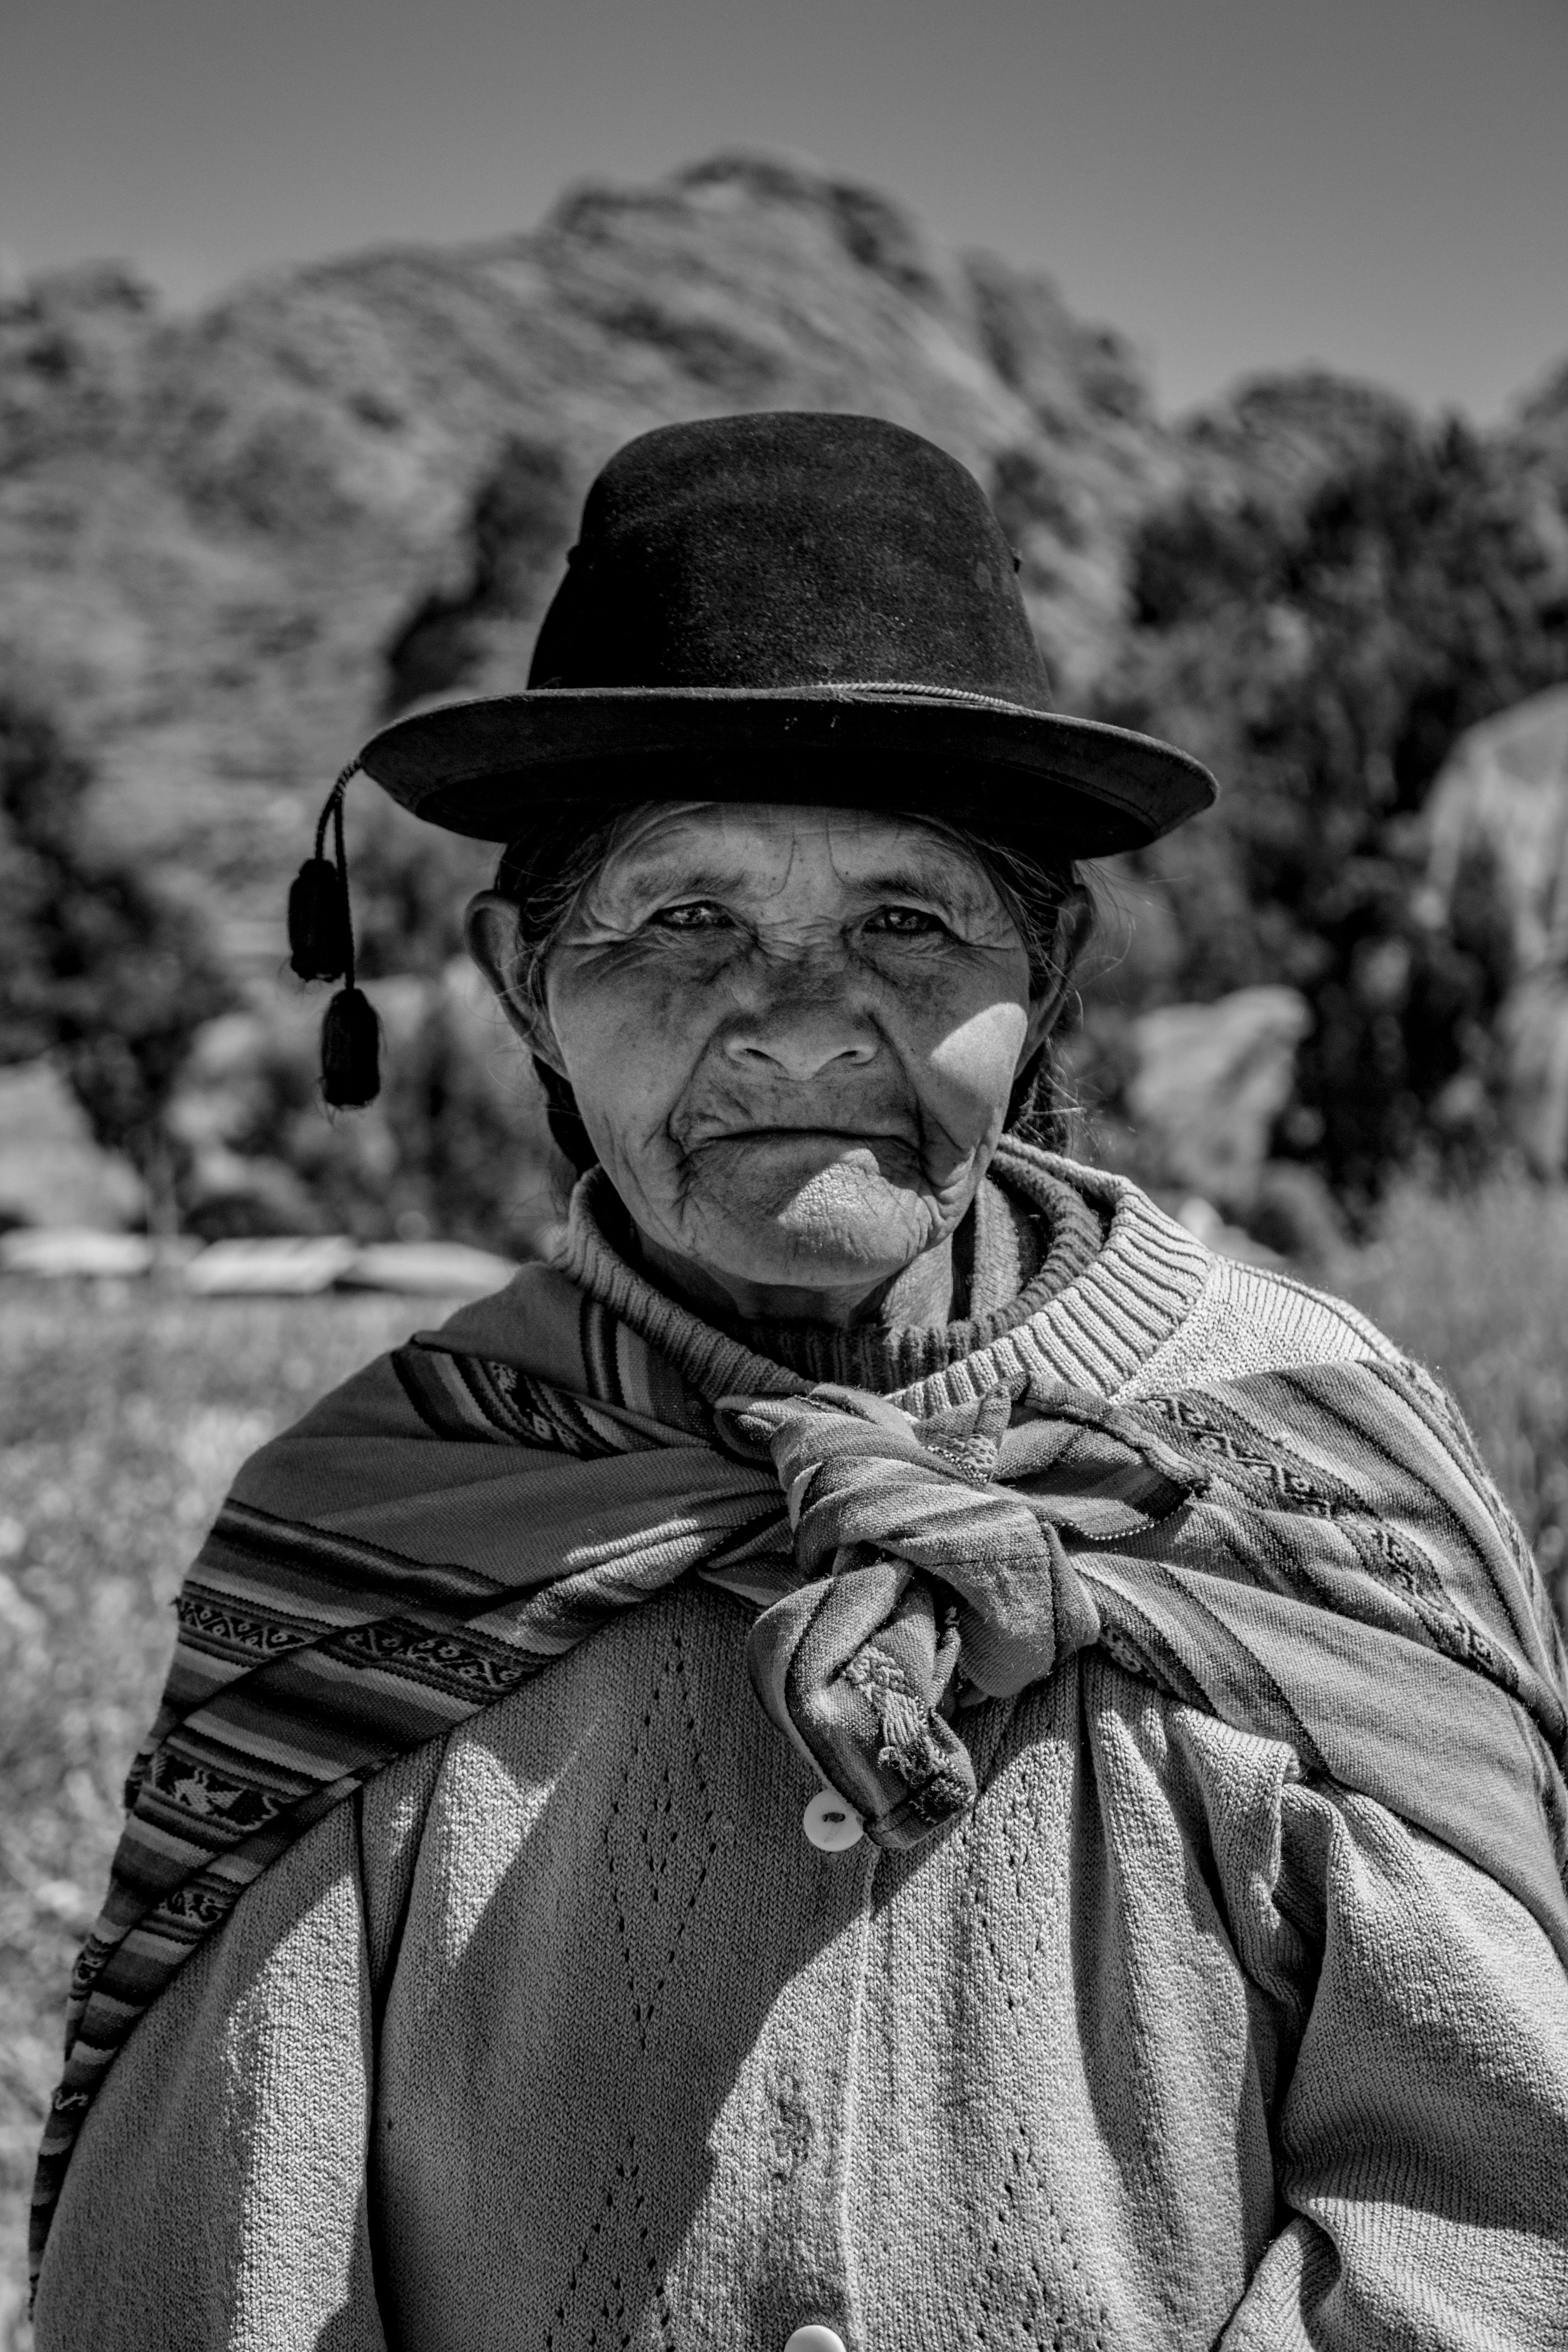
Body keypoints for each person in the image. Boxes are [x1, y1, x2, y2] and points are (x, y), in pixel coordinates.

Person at [32, 413, 1568, 2352]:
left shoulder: (1308, 1473)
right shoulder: (378, 1526)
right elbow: (209, 2271)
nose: (793, 1019)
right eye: (684, 918)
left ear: (1052, 973)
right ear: (523, 979)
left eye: (908, 924)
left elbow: (1498, 2216)